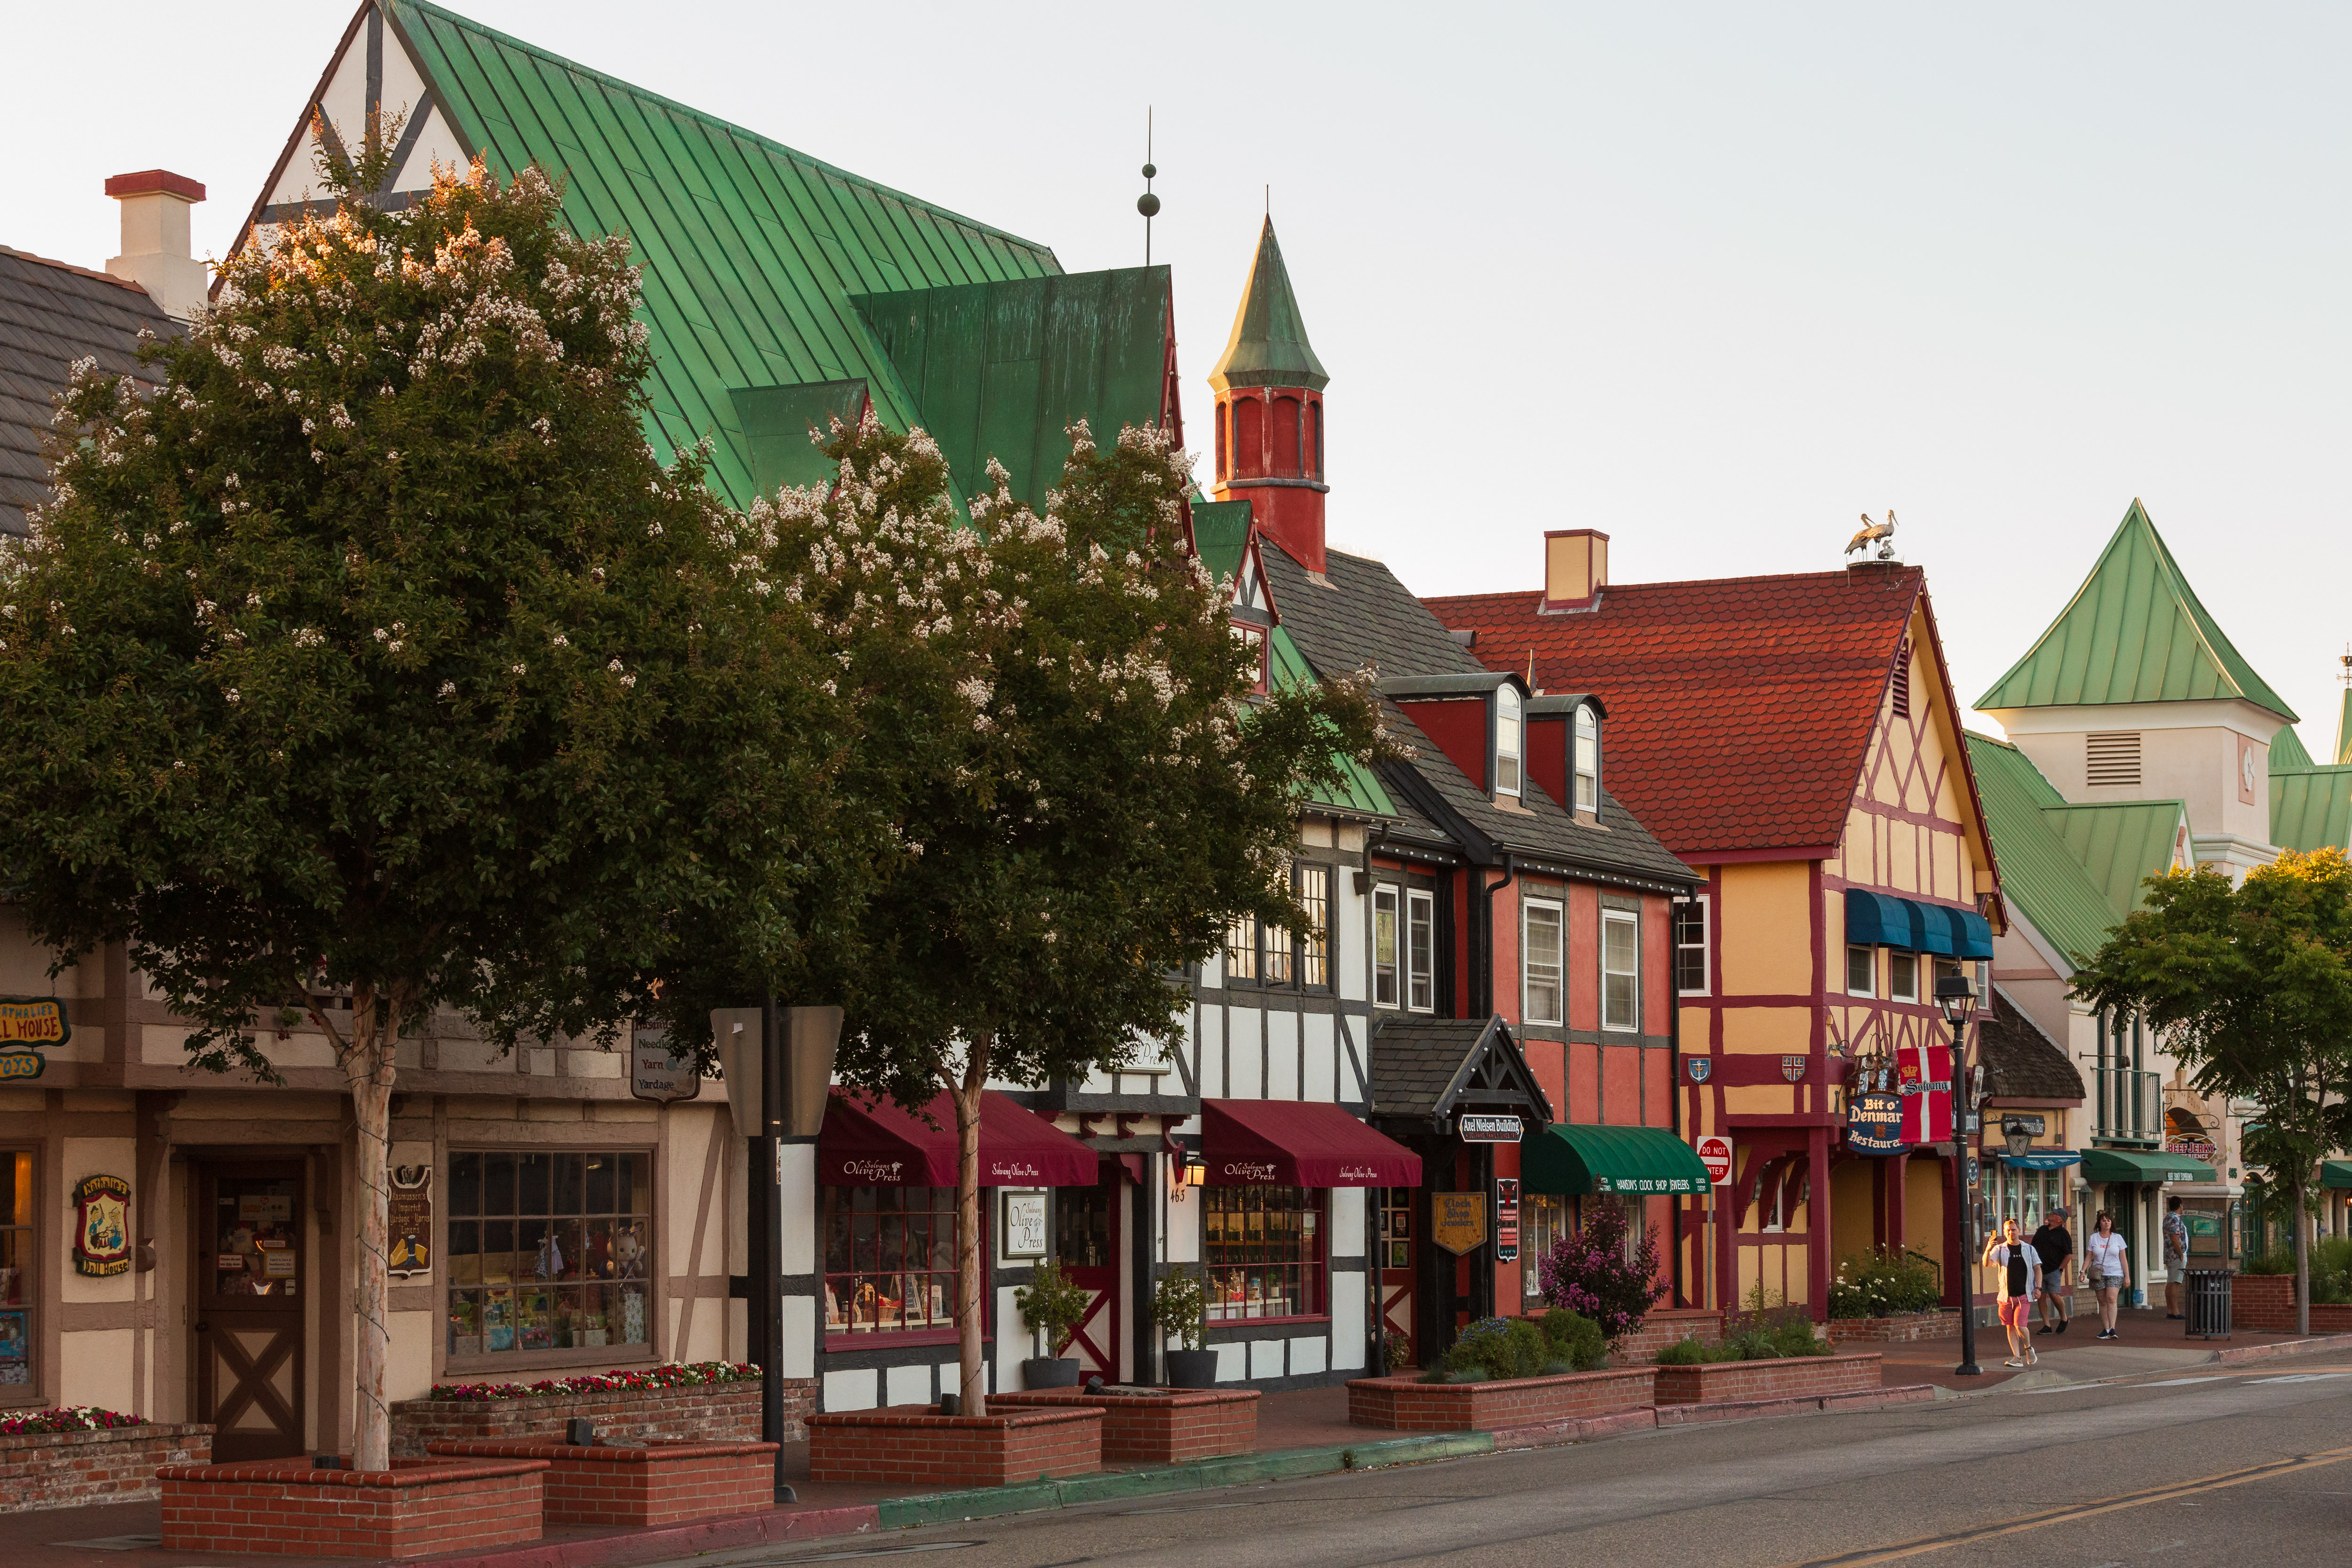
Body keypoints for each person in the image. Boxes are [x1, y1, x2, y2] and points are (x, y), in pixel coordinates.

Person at [1983, 1217, 2043, 1368]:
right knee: (2010, 1326)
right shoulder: (2000, 1249)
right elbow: (1987, 1263)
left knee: (2020, 1325)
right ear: (2005, 1232)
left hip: (2024, 1295)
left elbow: (2037, 1268)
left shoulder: (2029, 1249)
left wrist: (2039, 1287)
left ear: (2019, 1231)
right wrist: (1988, 1248)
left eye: (2014, 1230)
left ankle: (2028, 1348)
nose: (2011, 1233)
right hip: (2005, 1296)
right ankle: (2017, 1357)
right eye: (2008, 1231)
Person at [2083, 1209, 2129, 1339]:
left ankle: (2113, 1328)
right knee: (2102, 1301)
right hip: (2099, 1273)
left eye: (2109, 1221)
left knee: (2111, 1299)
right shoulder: (2094, 1238)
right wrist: (2083, 1271)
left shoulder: (2117, 1238)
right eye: (2104, 1221)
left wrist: (2127, 1276)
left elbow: (2123, 1259)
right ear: (2100, 1223)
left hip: (2115, 1272)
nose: (2107, 1223)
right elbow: (2089, 1257)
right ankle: (2106, 1328)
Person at [2030, 1206, 2074, 1335]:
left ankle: (2064, 1318)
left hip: (2054, 1270)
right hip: (2039, 1270)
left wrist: (2060, 1268)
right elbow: (2033, 1247)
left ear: (2059, 1219)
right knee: (2041, 1297)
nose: (2050, 1214)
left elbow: (2069, 1255)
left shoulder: (2063, 1234)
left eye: (2053, 1213)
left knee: (2055, 1295)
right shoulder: (2042, 1230)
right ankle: (2046, 1325)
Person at [2163, 1196, 2190, 1319]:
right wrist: (2180, 1253)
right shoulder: (2175, 1219)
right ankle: (2175, 1311)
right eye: (2182, 1205)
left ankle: (2170, 1309)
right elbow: (2175, 1237)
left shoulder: (2168, 1217)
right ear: (2180, 1205)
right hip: (2176, 1255)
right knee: (2176, 1283)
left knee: (2171, 1282)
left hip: (2169, 1254)